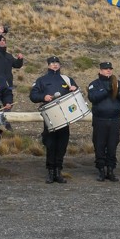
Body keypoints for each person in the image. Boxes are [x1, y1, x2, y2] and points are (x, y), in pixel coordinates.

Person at [30, 56, 79, 184]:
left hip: (65, 117)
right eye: (52, 63)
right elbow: (33, 95)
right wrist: (43, 97)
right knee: (51, 144)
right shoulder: (41, 80)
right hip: (50, 117)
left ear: (60, 65)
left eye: (57, 62)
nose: (55, 65)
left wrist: (75, 89)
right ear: (48, 65)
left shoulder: (67, 79)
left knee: (62, 145)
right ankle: (51, 172)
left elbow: (77, 94)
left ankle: (58, 171)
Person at [87, 62, 120, 182]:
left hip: (114, 120)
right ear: (100, 70)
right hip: (100, 120)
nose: (108, 70)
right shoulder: (94, 84)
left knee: (112, 145)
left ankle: (110, 170)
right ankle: (101, 170)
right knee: (99, 145)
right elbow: (93, 98)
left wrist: (117, 90)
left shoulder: (118, 83)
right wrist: (106, 90)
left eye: (110, 69)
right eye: (106, 69)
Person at [0, 25, 24, 90]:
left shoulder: (9, 56)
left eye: (3, 41)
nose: (2, 41)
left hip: (8, 85)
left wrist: (20, 59)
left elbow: (17, 65)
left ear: (5, 43)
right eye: (0, 40)